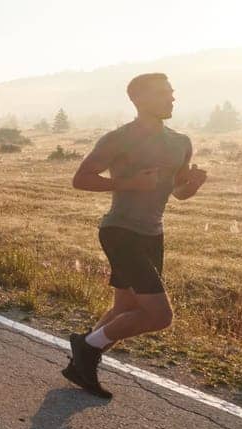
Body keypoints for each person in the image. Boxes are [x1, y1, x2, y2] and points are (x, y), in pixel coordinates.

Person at [64, 73, 208, 398]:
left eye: (172, 92)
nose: (172, 99)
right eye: (163, 94)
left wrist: (194, 184)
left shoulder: (181, 142)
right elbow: (81, 179)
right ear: (139, 100)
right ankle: (86, 346)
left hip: (153, 234)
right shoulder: (119, 139)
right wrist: (129, 183)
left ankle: (79, 366)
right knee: (159, 316)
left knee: (125, 308)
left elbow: (179, 192)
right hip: (120, 230)